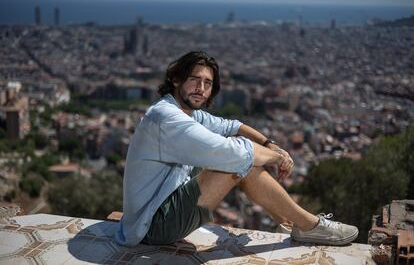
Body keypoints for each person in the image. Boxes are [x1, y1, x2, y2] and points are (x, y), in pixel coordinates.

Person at [115, 51, 358, 247]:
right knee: (237, 164)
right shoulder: (166, 117)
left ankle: (293, 222)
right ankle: (309, 225)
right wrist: (277, 157)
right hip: (152, 226)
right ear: (176, 80)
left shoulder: (189, 113)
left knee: (243, 160)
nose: (200, 88)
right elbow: (235, 153)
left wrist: (268, 144)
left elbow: (233, 126)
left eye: (207, 83)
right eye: (194, 79)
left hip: (160, 210)